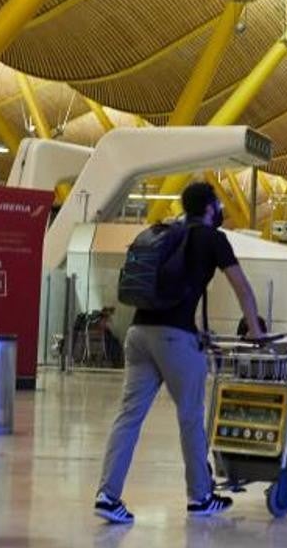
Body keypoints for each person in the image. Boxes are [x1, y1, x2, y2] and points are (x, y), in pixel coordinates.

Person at [94, 182, 263, 525]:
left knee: (129, 417)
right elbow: (242, 288)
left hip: (139, 334)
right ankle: (200, 497)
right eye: (218, 205)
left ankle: (107, 495)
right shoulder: (212, 238)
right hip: (173, 339)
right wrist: (257, 334)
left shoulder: (168, 232)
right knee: (190, 416)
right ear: (211, 208)